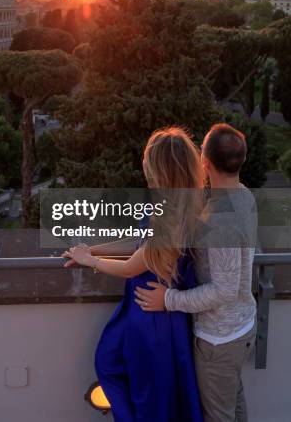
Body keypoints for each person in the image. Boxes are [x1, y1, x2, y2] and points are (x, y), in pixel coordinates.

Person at [63, 127, 204, 422]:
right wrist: (95, 250)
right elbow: (139, 243)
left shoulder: (172, 217)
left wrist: (89, 260)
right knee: (135, 380)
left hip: (153, 318)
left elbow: (132, 267)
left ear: (160, 171)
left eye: (148, 162)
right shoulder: (180, 204)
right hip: (150, 312)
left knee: (148, 394)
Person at [134, 123, 257, 422]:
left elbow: (223, 290)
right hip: (239, 328)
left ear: (205, 161)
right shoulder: (243, 195)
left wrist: (169, 299)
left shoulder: (220, 219)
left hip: (219, 339)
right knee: (233, 402)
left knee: (218, 416)